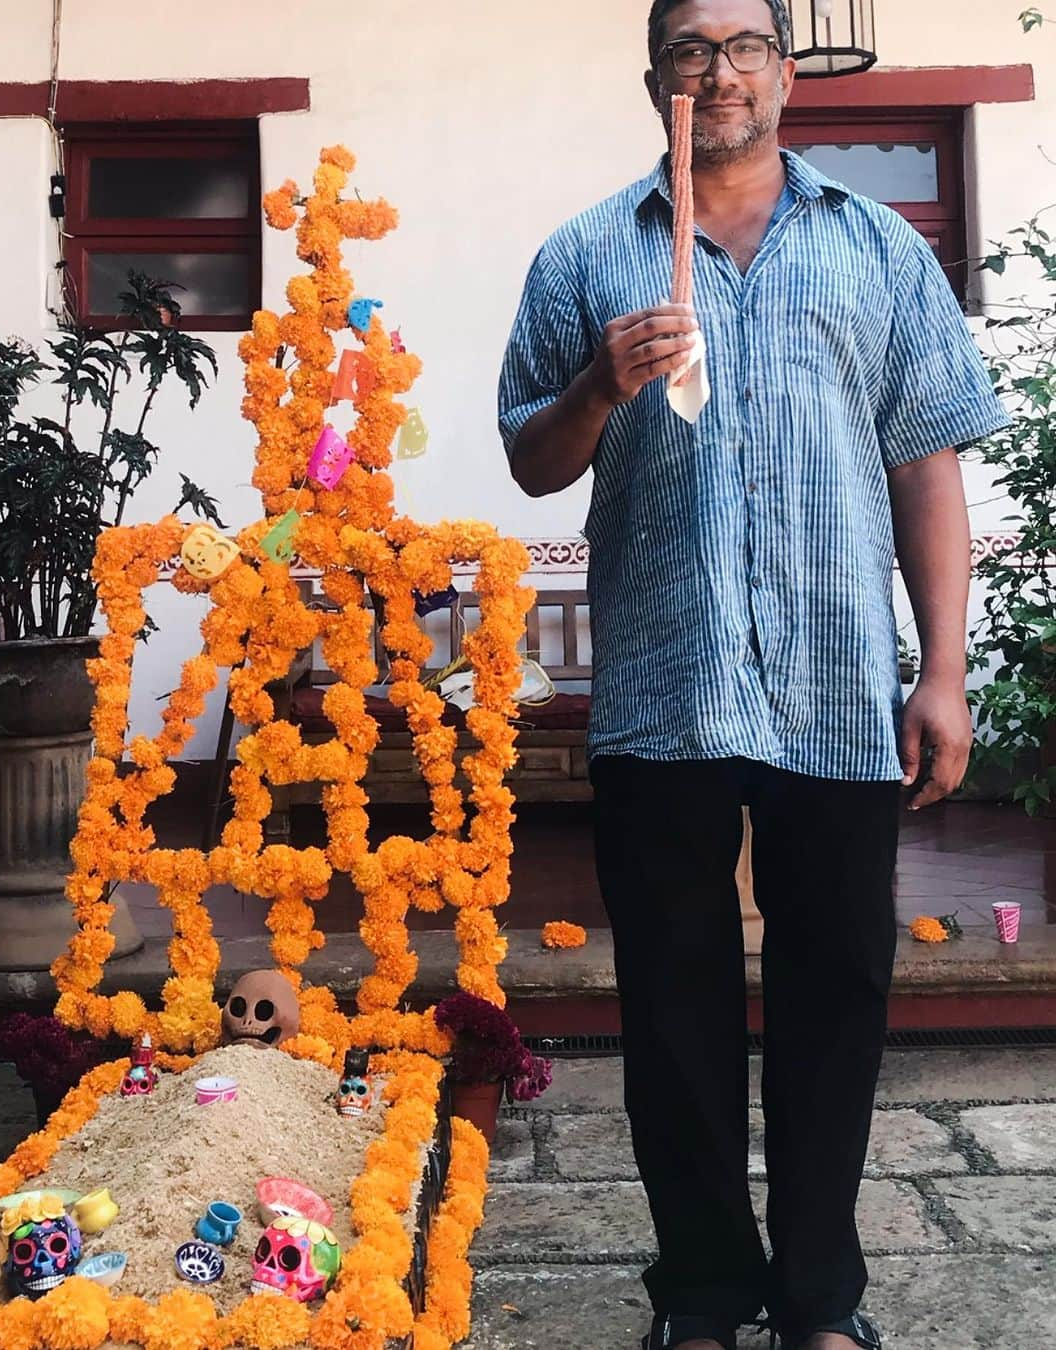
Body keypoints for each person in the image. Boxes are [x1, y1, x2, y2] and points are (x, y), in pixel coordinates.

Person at [497, 1, 1010, 1348]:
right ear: (652, 76)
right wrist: (601, 388)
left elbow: (926, 463)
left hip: (837, 691)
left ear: (785, 71)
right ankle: (707, 1294)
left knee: (837, 1003)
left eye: (743, 47)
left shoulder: (879, 250)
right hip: (665, 690)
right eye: (688, 50)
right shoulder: (587, 256)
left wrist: (941, 669)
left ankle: (821, 1303)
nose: (716, 73)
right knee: (672, 1016)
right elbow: (532, 462)